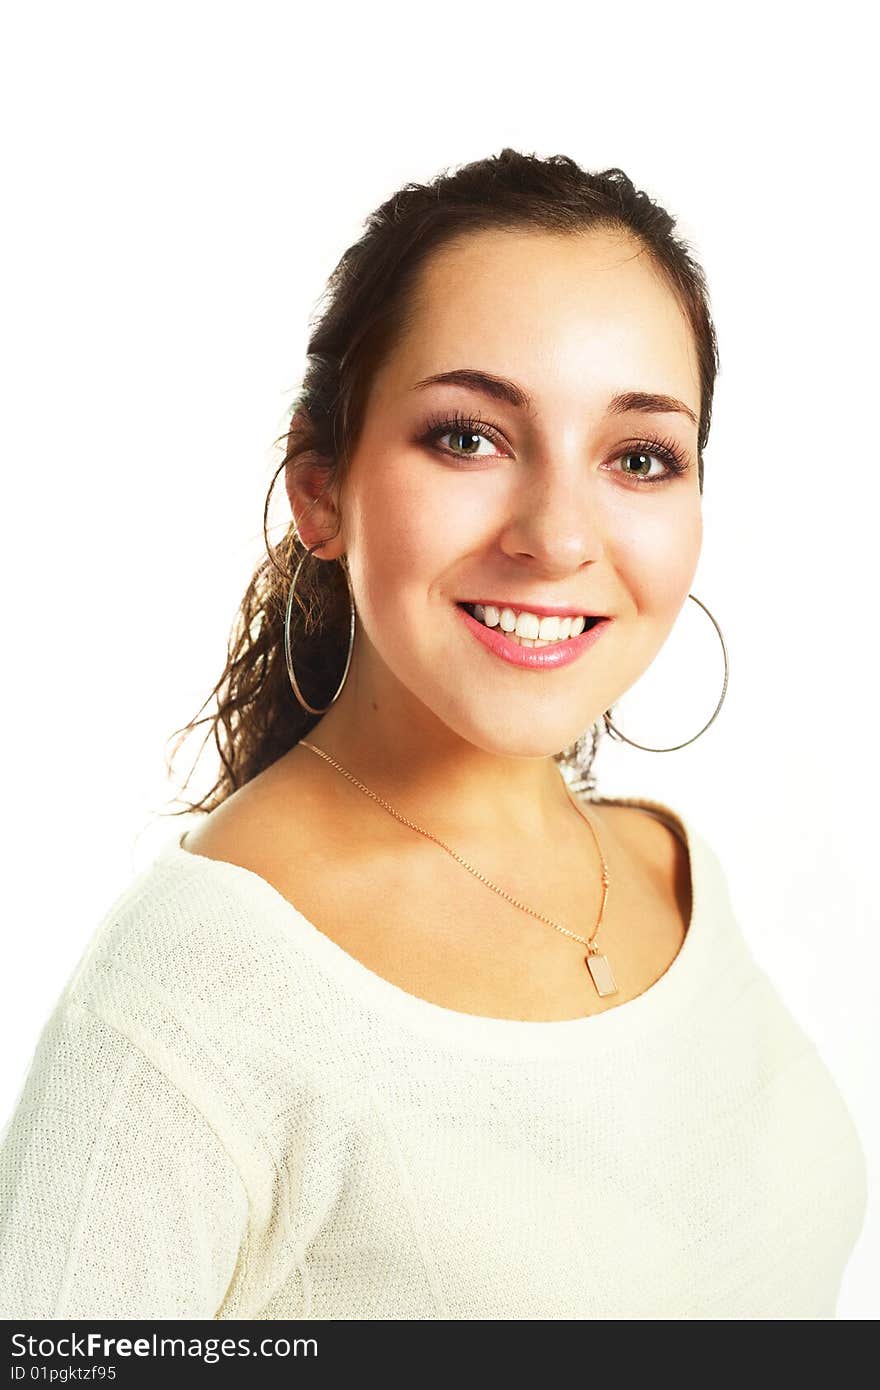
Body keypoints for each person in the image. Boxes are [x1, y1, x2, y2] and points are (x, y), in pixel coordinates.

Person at [0, 149, 867, 1321]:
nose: (558, 537)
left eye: (639, 456)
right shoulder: (187, 1005)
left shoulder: (670, 870)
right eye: (468, 437)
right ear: (320, 485)